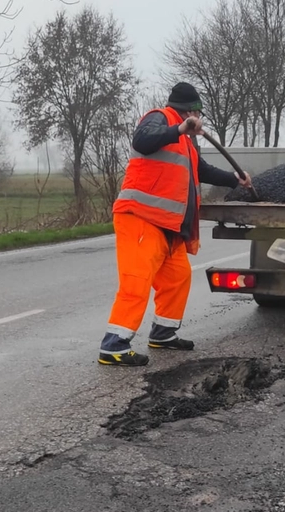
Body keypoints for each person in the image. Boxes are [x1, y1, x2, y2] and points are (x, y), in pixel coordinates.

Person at [98, 82, 253, 366]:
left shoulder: (188, 140)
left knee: (178, 276)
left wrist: (235, 178)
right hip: (141, 217)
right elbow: (142, 141)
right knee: (137, 281)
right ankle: (114, 344)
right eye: (197, 112)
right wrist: (180, 129)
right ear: (191, 111)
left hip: (168, 225)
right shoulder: (159, 118)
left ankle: (163, 333)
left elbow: (201, 170)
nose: (200, 118)